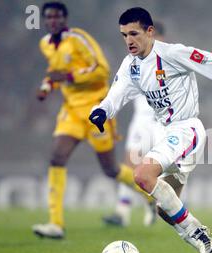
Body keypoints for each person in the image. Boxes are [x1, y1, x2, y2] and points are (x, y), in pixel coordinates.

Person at [90, 7, 212, 253]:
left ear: (150, 32)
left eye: (134, 33)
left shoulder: (172, 54)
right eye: (123, 35)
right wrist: (102, 110)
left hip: (187, 129)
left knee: (142, 175)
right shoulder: (131, 66)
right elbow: (118, 92)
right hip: (170, 134)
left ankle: (199, 234)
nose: (129, 40)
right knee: (165, 209)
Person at [32, 2, 155, 239]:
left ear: (65, 19)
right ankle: (56, 223)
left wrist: (69, 76)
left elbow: (102, 70)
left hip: (97, 110)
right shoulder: (46, 44)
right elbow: (54, 71)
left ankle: (151, 198)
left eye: (57, 17)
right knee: (57, 157)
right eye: (48, 18)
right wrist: (47, 87)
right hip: (71, 111)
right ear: (45, 21)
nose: (53, 21)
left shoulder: (79, 39)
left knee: (110, 169)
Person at [103, 22, 166, 227]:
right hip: (141, 121)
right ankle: (122, 213)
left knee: (159, 170)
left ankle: (157, 209)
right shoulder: (134, 60)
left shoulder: (171, 60)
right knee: (129, 166)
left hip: (163, 122)